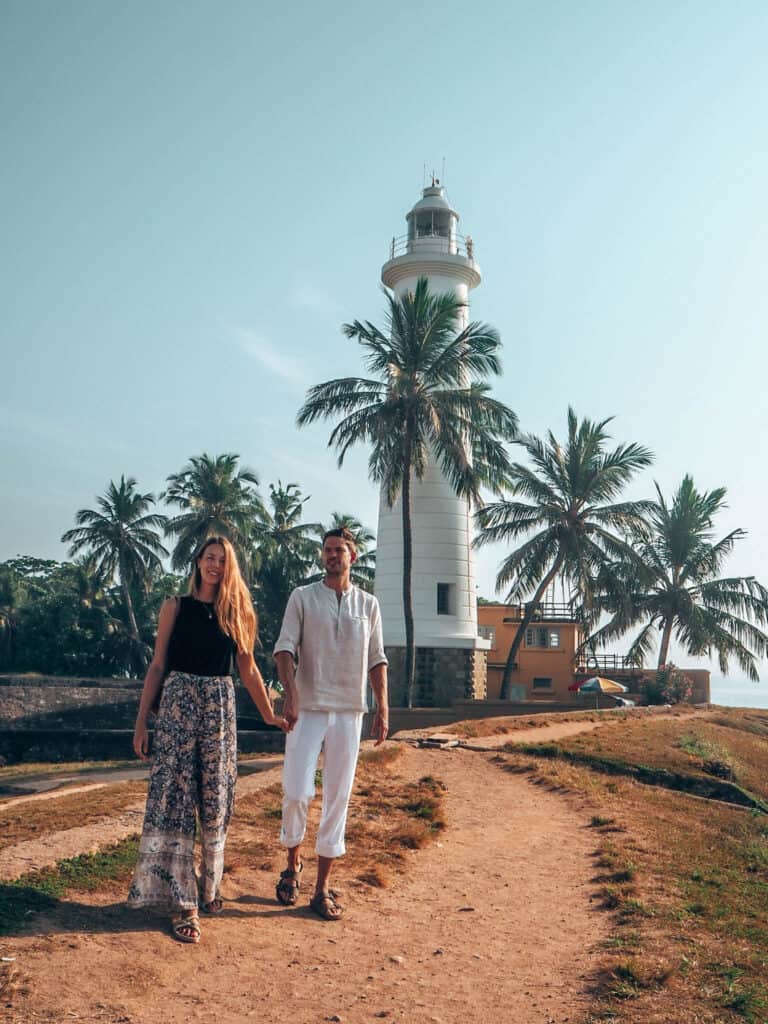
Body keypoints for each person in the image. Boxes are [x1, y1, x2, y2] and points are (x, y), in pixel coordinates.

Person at [127, 535, 289, 944]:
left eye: (223, 560)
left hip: (219, 707)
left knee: (216, 798)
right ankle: (184, 903)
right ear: (198, 562)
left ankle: (207, 883)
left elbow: (248, 669)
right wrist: (142, 721)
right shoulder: (174, 607)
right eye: (209, 558)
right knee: (176, 800)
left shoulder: (236, 610)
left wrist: (269, 713)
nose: (215, 565)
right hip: (178, 704)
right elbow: (158, 664)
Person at [273, 526, 388, 921]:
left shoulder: (368, 605)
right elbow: (284, 648)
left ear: (352, 556)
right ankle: (293, 864)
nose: (333, 555)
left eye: (340, 550)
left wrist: (382, 708)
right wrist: (290, 693)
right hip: (307, 709)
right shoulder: (303, 598)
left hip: (350, 711)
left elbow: (377, 659)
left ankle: (321, 889)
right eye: (328, 550)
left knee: (338, 798)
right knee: (296, 791)